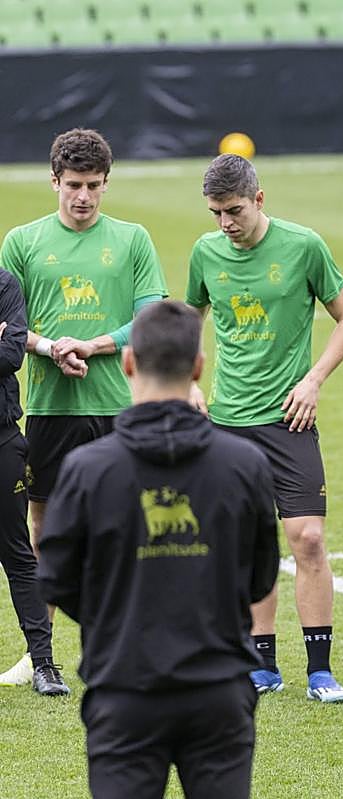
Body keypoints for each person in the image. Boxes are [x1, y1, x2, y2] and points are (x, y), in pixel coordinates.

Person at [37, 300, 280, 799]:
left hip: (125, 688)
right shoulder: (244, 464)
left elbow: (54, 580)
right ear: (198, 367)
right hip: (218, 690)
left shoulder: (87, 469)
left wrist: (117, 616)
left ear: (127, 362)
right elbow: (261, 578)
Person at [185, 153, 343, 703]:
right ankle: (262, 664)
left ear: (259, 200)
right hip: (227, 421)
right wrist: (188, 383)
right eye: (216, 213)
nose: (225, 224)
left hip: (289, 419)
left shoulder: (304, 246)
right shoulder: (206, 252)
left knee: (307, 537)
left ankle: (320, 670)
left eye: (234, 211)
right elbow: (188, 319)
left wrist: (313, 381)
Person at [0, 127, 167, 688]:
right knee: (42, 526)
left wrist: (90, 346)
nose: (84, 196)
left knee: (126, 525)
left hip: (118, 403)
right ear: (54, 181)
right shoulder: (22, 242)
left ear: (106, 184)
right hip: (48, 407)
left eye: (95, 185)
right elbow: (8, 329)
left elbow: (151, 317)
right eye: (74, 184)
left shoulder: (133, 239)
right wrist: (50, 347)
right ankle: (38, 651)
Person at [0, 267, 65, 696]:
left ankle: (43, 665)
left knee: (18, 554)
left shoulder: (4, 284)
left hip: (2, 440)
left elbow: (11, 356)